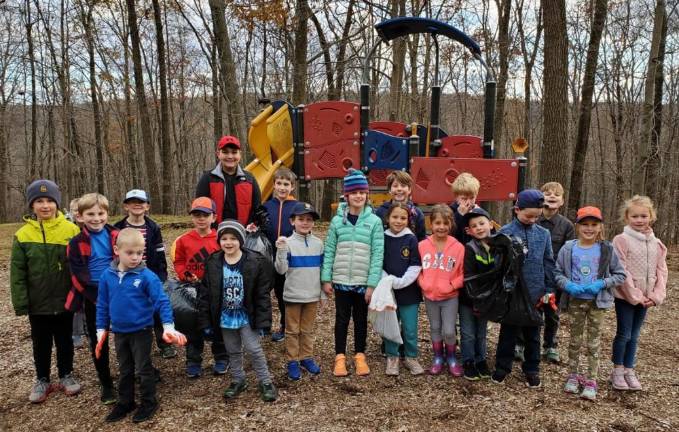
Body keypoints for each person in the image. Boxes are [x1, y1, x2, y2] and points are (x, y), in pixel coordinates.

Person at [96, 228, 186, 423]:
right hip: (120, 331)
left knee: (143, 368)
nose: (135, 257)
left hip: (141, 331)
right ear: (117, 250)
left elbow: (162, 301)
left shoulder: (147, 276)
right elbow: (102, 304)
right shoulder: (107, 276)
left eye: (139, 253)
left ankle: (148, 401)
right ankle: (126, 402)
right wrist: (100, 329)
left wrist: (168, 326)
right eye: (130, 253)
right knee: (125, 368)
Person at [10, 180, 81, 403]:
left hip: (64, 300)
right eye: (39, 201)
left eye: (49, 200)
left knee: (64, 340)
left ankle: (66, 374)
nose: (45, 206)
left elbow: (79, 266)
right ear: (32, 206)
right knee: (40, 342)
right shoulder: (22, 235)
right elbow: (17, 273)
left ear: (57, 204)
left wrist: (79, 294)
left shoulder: (71, 230)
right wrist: (21, 302)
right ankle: (42, 378)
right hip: (38, 302)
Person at [198, 220, 278, 402]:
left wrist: (264, 321)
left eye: (233, 238)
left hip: (246, 315)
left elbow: (262, 294)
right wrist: (206, 321)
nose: (228, 242)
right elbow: (205, 294)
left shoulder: (254, 261)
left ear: (241, 240)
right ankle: (238, 379)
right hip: (225, 316)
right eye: (224, 238)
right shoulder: (213, 262)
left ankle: (266, 381)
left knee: (253, 349)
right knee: (232, 350)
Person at [554, 207, 625, 400]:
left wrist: (602, 283)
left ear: (600, 227)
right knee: (575, 340)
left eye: (594, 224)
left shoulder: (607, 249)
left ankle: (592, 380)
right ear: (577, 226)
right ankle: (573, 375)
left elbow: (620, 275)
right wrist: (568, 285)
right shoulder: (569, 248)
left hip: (597, 303)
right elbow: (557, 272)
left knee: (594, 342)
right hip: (575, 301)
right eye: (585, 224)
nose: (589, 228)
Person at [322, 169, 384, 377]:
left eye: (362, 192)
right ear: (346, 195)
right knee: (341, 319)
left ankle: (359, 355)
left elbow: (377, 254)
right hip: (341, 280)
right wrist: (326, 277)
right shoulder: (337, 221)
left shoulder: (374, 222)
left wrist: (372, 283)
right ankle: (339, 356)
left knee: (360, 319)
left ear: (367, 195)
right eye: (354, 192)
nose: (359, 196)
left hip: (362, 281)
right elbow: (329, 250)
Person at [492, 189, 556, 388]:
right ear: (517, 210)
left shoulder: (544, 234)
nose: (532, 220)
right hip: (512, 293)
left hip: (536, 293)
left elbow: (548, 262)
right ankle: (502, 367)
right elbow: (497, 263)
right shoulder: (505, 232)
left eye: (537, 217)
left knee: (533, 334)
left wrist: (549, 288)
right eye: (528, 216)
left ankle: (532, 368)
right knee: (508, 333)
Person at [610, 195, 668, 391]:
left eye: (644, 215)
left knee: (635, 336)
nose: (639, 220)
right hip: (626, 298)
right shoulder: (621, 240)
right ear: (627, 218)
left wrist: (655, 296)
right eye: (635, 216)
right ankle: (617, 370)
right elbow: (621, 270)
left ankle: (629, 369)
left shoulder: (657, 243)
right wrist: (635, 296)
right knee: (624, 334)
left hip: (647, 299)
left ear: (651, 216)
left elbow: (662, 270)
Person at [65, 193, 118, 404]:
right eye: (90, 214)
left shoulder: (116, 234)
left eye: (100, 213)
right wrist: (95, 297)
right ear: (80, 217)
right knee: (99, 339)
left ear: (107, 214)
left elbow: (130, 258)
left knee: (128, 332)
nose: (96, 218)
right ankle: (105, 382)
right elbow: (78, 274)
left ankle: (135, 371)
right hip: (93, 295)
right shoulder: (76, 243)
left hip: (119, 290)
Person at [171, 197, 229, 378]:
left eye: (205, 215)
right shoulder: (184, 240)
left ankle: (221, 357)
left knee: (217, 322)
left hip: (215, 290)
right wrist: (185, 275)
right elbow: (178, 260)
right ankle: (193, 360)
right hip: (191, 289)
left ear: (214, 217)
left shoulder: (221, 239)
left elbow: (228, 259)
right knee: (192, 324)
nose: (201, 218)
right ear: (192, 217)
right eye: (197, 215)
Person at [113, 189, 174, 359]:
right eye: (133, 202)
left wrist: (162, 276)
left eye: (141, 202)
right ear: (126, 206)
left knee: (156, 309)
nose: (137, 205)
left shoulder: (153, 227)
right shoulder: (118, 228)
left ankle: (165, 343)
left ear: (147, 206)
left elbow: (160, 253)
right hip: (126, 276)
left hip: (150, 274)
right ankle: (134, 346)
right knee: (133, 308)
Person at [274, 202, 325, 380]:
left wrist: (322, 294)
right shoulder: (286, 243)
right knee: (292, 330)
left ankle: (306, 357)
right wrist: (280, 250)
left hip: (311, 295)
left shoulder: (319, 244)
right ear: (292, 221)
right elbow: (281, 270)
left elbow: (322, 270)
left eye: (309, 220)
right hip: (293, 295)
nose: (305, 223)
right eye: (301, 219)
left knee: (307, 329)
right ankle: (292, 361)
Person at [418, 204, 465, 376]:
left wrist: (452, 285)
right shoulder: (423, 245)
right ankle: (438, 357)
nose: (441, 227)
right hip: (430, 295)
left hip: (450, 296)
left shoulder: (458, 247)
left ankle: (451, 357)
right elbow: (418, 269)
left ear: (451, 225)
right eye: (437, 223)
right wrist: (423, 283)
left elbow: (463, 273)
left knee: (449, 330)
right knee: (435, 327)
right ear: (431, 224)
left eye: (445, 223)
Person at [381, 203, 424, 376]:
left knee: (410, 327)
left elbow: (415, 265)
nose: (398, 221)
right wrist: (388, 280)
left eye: (403, 218)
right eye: (395, 217)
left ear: (408, 220)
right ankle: (392, 357)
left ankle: (411, 356)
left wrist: (401, 281)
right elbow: (378, 262)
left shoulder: (411, 239)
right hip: (388, 291)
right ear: (388, 218)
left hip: (409, 291)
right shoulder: (382, 237)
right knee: (391, 325)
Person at [536, 181, 576, 363]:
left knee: (552, 314)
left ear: (562, 201)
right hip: (534, 276)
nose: (552, 196)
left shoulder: (567, 226)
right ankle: (525, 344)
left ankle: (550, 345)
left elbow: (569, 253)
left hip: (555, 277)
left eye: (556, 195)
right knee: (531, 311)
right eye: (548, 193)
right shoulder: (533, 219)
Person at [263, 167, 299, 342]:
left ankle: (286, 326)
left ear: (292, 187)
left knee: (284, 293)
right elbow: (259, 227)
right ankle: (264, 325)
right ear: (274, 185)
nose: (283, 187)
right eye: (279, 183)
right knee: (265, 292)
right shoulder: (266, 206)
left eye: (287, 184)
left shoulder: (297, 207)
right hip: (268, 256)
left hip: (288, 257)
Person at [195, 135, 261, 226]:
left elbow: (257, 209)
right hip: (214, 235)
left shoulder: (250, 179)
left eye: (234, 152)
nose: (230, 156)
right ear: (218, 154)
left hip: (243, 234)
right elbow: (200, 208)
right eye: (225, 152)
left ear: (240, 154)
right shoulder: (207, 179)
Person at [460, 207, 494, 380]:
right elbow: (469, 276)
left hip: (487, 299)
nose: (479, 228)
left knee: (481, 332)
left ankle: (481, 360)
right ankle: (468, 360)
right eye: (474, 226)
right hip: (469, 299)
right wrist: (475, 300)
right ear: (469, 231)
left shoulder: (498, 246)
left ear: (491, 224)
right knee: (468, 332)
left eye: (482, 223)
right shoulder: (470, 248)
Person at [375, 171, 426, 241]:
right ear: (389, 190)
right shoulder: (381, 212)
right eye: (395, 186)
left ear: (409, 190)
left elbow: (421, 239)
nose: (399, 189)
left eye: (403, 186)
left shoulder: (417, 213)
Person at [65, 197, 86, 350]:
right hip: (73, 272)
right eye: (74, 210)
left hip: (88, 272)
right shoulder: (69, 229)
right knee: (76, 306)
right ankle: (76, 333)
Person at [449, 173, 482, 245]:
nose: (468, 202)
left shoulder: (480, 212)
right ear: (456, 197)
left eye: (472, 198)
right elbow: (449, 234)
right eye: (464, 199)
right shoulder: (450, 212)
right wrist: (459, 215)